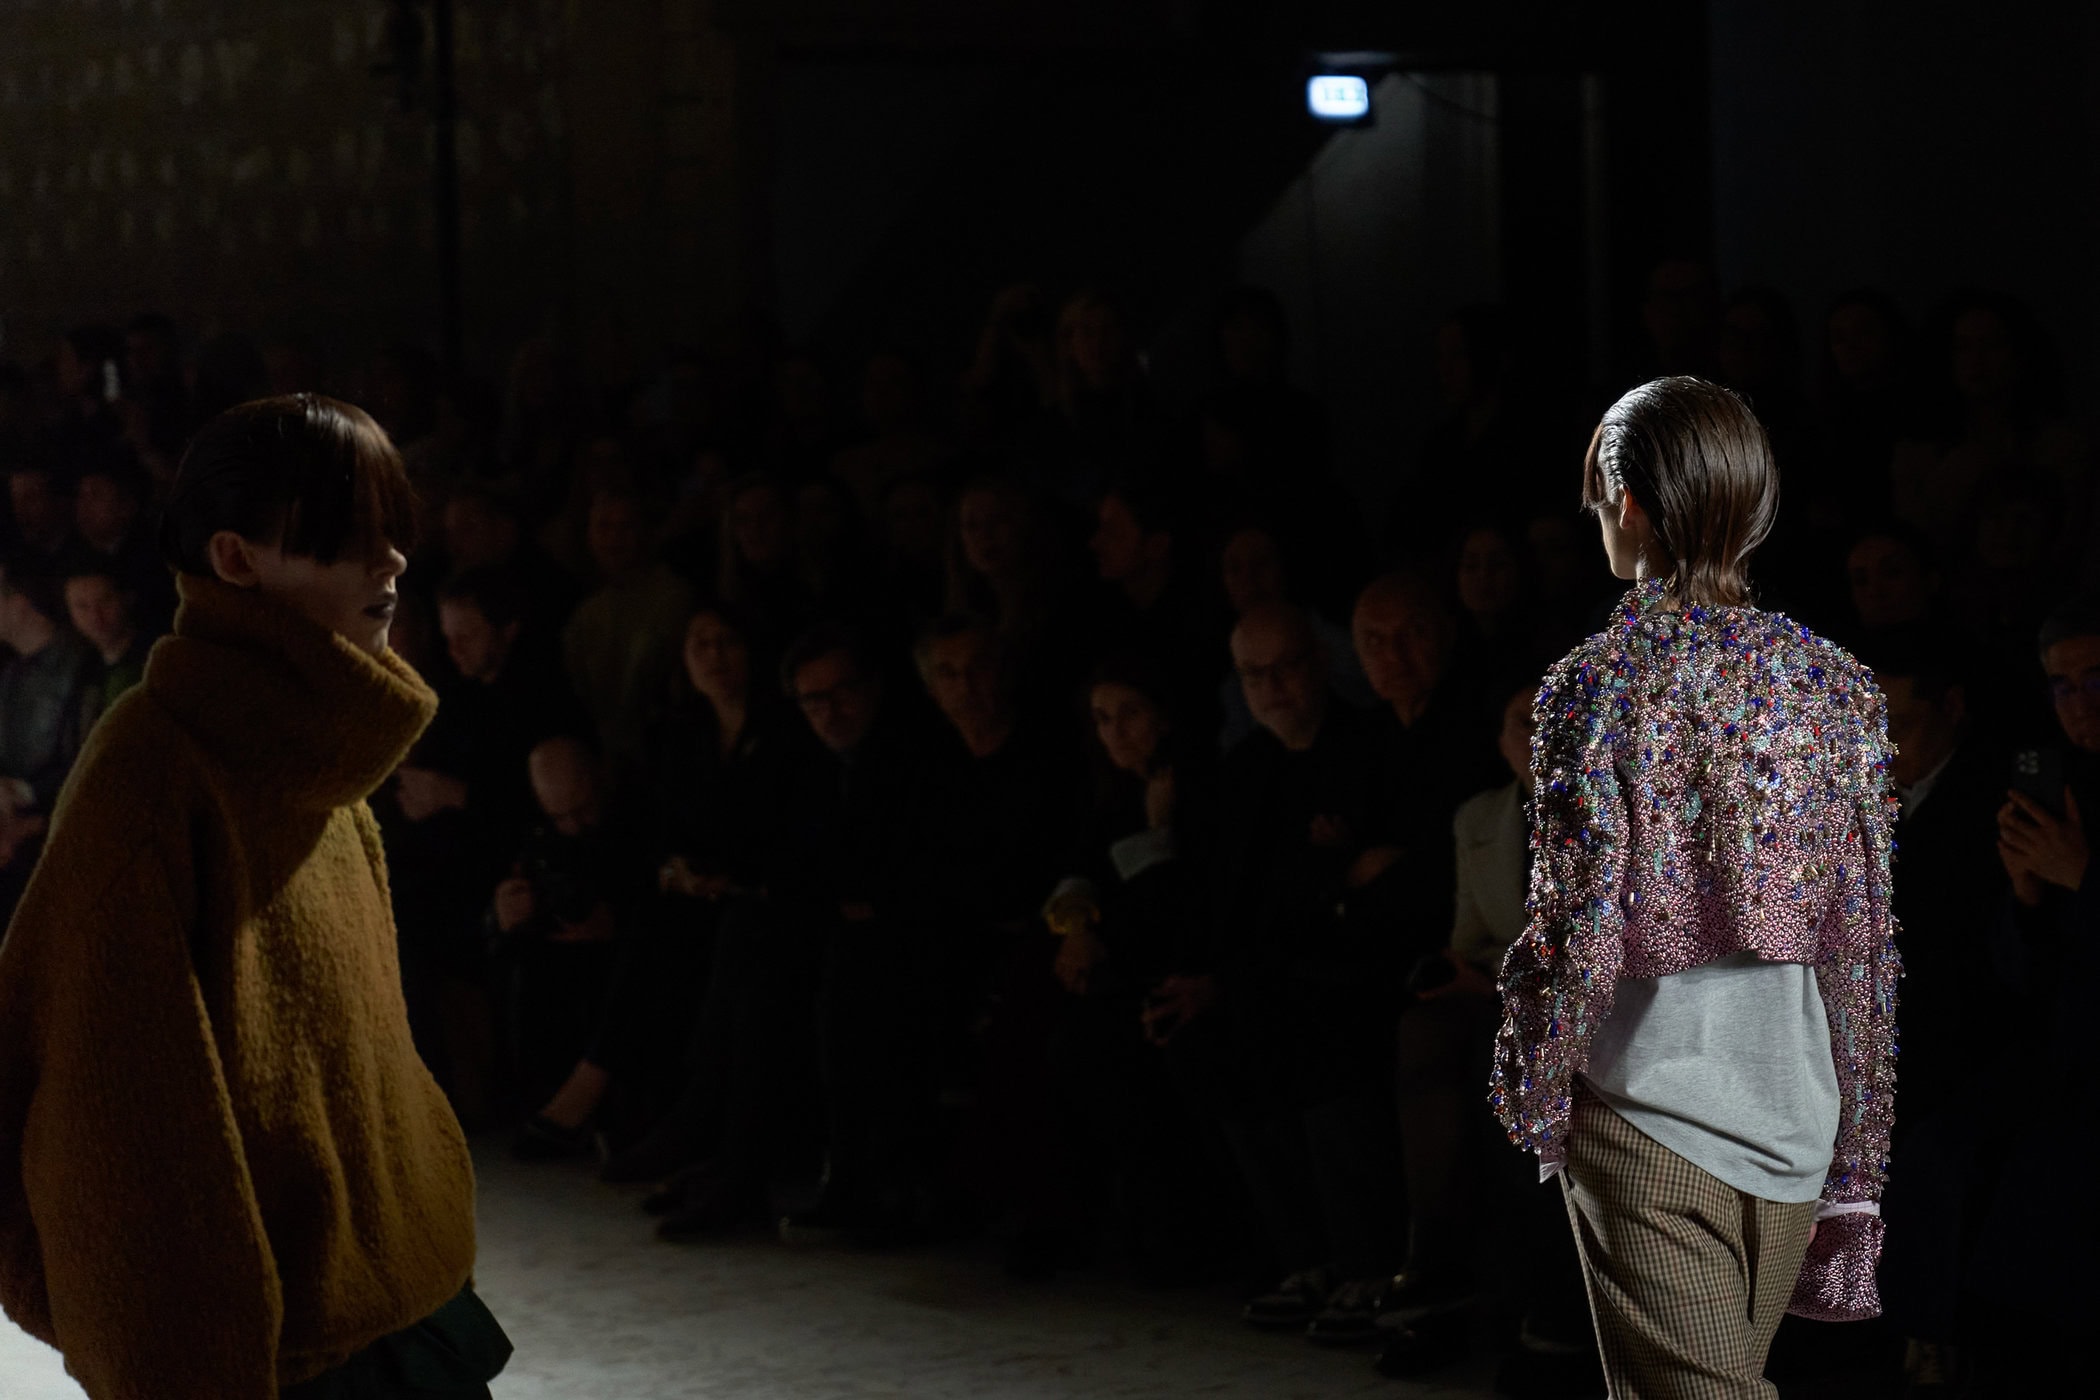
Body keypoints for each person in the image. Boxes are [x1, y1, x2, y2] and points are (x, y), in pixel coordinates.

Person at [0, 394, 509, 1398]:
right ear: (235, 558)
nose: (390, 560)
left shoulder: (322, 744)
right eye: (346, 535)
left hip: (399, 1301)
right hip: (273, 1348)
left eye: (392, 528)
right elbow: (115, 1107)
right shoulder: (154, 766)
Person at [1491, 376, 1899, 1398]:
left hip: (1649, 1107)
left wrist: (1536, 1080)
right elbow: (1862, 942)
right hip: (1796, 1118)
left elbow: (1575, 925)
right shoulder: (1836, 686)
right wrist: (1855, 1145)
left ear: (1628, 502)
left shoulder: (1596, 683)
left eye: (1597, 498)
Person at [0, 555, 102, 921]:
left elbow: (88, 760)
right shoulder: (11, 674)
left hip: (58, 833)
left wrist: (25, 794)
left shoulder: (82, 667)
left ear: (19, 604)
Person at [63, 562, 153, 716]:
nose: (95, 616)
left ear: (127, 599)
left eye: (105, 600)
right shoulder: (81, 672)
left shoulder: (155, 658)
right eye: (82, 606)